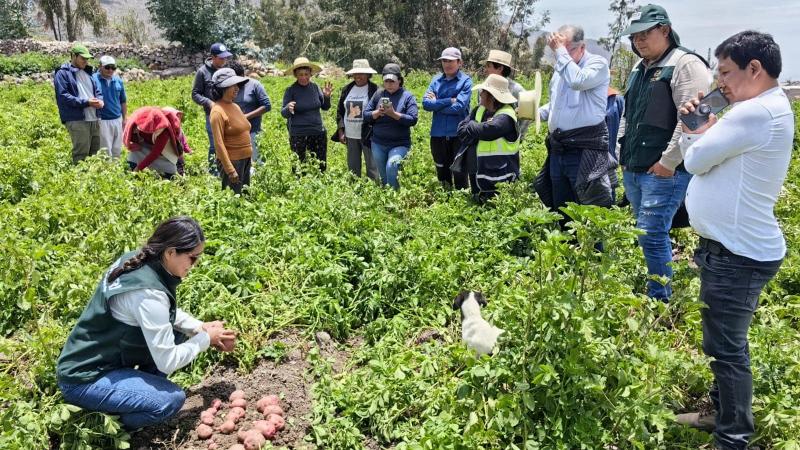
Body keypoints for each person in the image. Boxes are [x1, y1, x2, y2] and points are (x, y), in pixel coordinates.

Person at [675, 31, 794, 450]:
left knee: (727, 351)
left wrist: (696, 129)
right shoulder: (765, 108)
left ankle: (733, 436)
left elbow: (695, 161)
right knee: (723, 343)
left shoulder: (754, 113)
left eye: (725, 72)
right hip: (734, 249)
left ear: (754, 69)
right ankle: (720, 414)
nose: (719, 82)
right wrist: (707, 130)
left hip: (736, 254)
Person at [56, 217, 237, 430]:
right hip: (85, 378)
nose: (194, 265)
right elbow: (167, 361)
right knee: (169, 401)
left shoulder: (138, 260)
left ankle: (134, 392)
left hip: (97, 356)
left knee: (178, 332)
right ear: (170, 252)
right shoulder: (148, 293)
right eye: (192, 258)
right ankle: (108, 426)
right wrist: (205, 339)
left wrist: (199, 327)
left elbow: (161, 314)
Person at [618, 4, 712, 301]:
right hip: (635, 167)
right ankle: (657, 283)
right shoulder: (639, 68)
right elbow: (628, 113)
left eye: (646, 33)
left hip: (663, 171)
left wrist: (668, 163)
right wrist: (621, 147)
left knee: (652, 232)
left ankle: (659, 299)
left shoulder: (686, 64)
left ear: (665, 31)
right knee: (647, 233)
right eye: (635, 36)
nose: (639, 41)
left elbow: (694, 117)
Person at [534, 24, 614, 224]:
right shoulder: (561, 71)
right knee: (561, 206)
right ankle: (568, 250)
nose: (563, 55)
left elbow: (578, 81)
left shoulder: (597, 64)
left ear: (582, 47)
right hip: (559, 149)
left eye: (567, 48)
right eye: (559, 49)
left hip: (584, 150)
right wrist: (534, 113)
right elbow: (555, 106)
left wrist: (560, 52)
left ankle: (593, 253)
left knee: (589, 208)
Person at [455, 74, 520, 201]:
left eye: (484, 91)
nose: (480, 94)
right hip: (478, 172)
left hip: (501, 178)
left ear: (493, 96)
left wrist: (474, 126)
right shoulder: (479, 110)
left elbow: (489, 131)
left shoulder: (506, 116)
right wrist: (478, 128)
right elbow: (461, 130)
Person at [422, 47, 472, 190]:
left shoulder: (466, 81)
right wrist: (449, 100)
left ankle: (461, 203)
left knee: (459, 171)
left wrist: (436, 102)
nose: (447, 64)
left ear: (459, 63)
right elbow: (425, 104)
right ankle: (446, 198)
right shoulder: (435, 80)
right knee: (441, 170)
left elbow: (460, 107)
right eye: (444, 60)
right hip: (438, 133)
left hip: (458, 134)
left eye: (451, 61)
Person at [363, 63, 419, 189]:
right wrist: (377, 113)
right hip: (378, 143)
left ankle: (394, 197)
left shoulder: (407, 96)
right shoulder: (378, 94)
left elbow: (413, 119)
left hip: (399, 143)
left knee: (392, 166)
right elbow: (365, 115)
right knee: (384, 176)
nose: (389, 84)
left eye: (392, 81)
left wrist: (394, 114)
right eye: (386, 81)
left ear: (399, 80)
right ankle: (386, 201)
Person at [280, 57, 333, 173]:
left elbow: (325, 107)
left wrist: (327, 97)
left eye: (306, 74)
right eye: (300, 75)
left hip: (317, 132)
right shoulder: (291, 90)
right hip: (299, 134)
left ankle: (319, 188)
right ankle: (299, 189)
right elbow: (283, 113)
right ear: (295, 75)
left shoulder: (315, 88)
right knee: (299, 167)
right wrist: (288, 108)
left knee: (320, 165)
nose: (304, 77)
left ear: (310, 74)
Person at [54, 43, 104, 164]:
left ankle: (92, 180)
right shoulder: (63, 73)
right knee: (81, 154)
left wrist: (100, 100)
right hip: (77, 119)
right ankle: (80, 180)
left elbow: (97, 91)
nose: (85, 61)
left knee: (95, 153)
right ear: (73, 56)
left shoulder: (88, 73)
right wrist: (86, 102)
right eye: (83, 58)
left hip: (94, 118)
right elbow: (63, 97)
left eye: (87, 59)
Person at [333, 59, 380, 180]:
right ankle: (354, 190)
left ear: (368, 74)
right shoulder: (347, 89)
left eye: (362, 73)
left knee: (373, 166)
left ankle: (374, 190)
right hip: (351, 134)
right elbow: (340, 112)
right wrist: (341, 131)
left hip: (369, 134)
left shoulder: (375, 90)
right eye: (356, 73)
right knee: (353, 167)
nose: (358, 76)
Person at [192, 43, 232, 176]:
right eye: (221, 58)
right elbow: (195, 94)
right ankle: (214, 172)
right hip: (212, 115)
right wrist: (208, 102)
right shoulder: (202, 72)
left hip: (228, 113)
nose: (224, 60)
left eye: (225, 58)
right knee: (215, 144)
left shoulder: (226, 71)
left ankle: (227, 168)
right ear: (213, 57)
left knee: (229, 142)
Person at [210, 68, 253, 193]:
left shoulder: (235, 106)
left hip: (245, 160)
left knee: (245, 198)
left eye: (237, 85)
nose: (237, 88)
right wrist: (230, 169)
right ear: (222, 88)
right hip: (233, 162)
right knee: (233, 200)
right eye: (232, 86)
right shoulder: (217, 111)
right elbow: (219, 144)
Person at [124, 106, 192, 179]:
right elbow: (128, 134)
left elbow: (155, 153)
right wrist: (132, 145)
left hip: (165, 157)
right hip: (148, 150)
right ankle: (130, 173)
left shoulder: (164, 131)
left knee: (169, 172)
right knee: (134, 154)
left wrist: (138, 168)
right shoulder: (138, 122)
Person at [480, 49, 531, 140]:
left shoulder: (516, 89)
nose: (486, 70)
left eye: (488, 66)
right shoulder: (483, 88)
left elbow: (527, 115)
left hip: (506, 144)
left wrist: (519, 136)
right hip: (484, 140)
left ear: (500, 68)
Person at [228, 61, 271, 165]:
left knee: (257, 162)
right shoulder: (229, 87)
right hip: (234, 132)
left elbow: (267, 105)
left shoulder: (255, 85)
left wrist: (246, 116)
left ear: (243, 75)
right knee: (240, 164)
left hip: (253, 131)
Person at [93, 55, 128, 160]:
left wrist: (124, 118)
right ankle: (106, 171)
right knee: (105, 149)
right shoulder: (93, 79)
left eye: (113, 67)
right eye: (107, 67)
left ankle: (116, 171)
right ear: (100, 66)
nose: (110, 70)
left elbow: (123, 101)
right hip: (102, 119)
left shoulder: (118, 81)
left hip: (117, 119)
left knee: (117, 148)